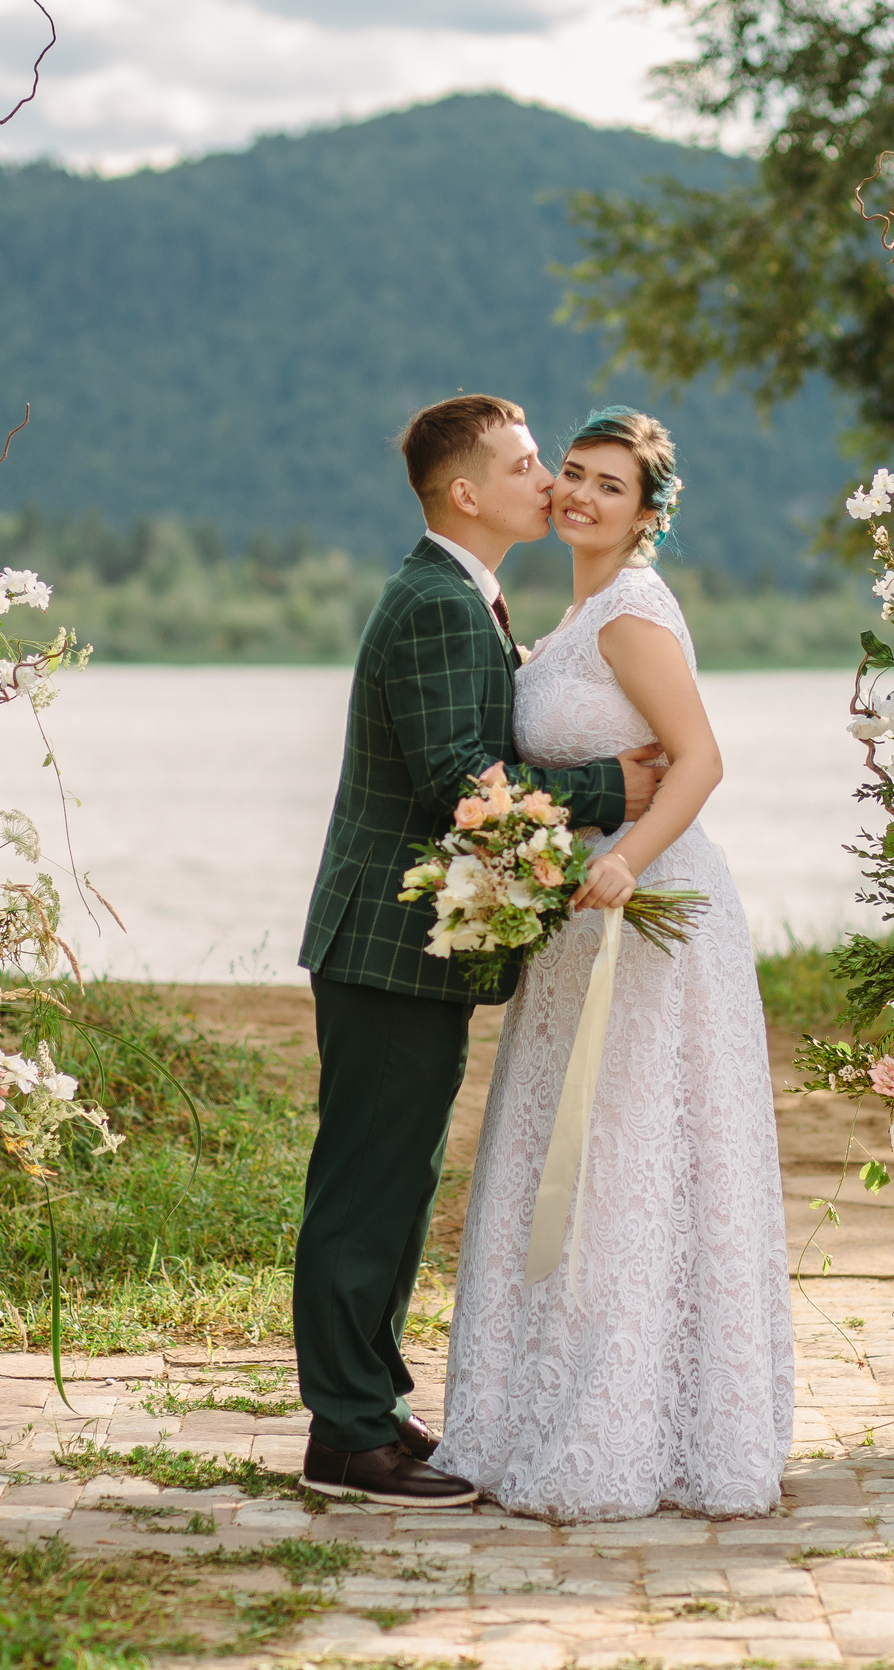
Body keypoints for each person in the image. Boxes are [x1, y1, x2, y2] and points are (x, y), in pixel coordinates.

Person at [292, 394, 665, 1507]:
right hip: (388, 943)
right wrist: (614, 786)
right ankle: (346, 1438)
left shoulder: (464, 595)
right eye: (525, 464)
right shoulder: (440, 604)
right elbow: (465, 782)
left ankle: (369, 1413)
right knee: (366, 1189)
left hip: (408, 943)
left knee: (393, 1184)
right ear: (466, 492)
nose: (547, 480)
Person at [433, 407, 795, 1521]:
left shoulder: (631, 613)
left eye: (609, 486)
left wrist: (628, 859)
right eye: (572, 475)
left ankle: (645, 1423)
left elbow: (699, 761)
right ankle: (534, 1408)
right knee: (575, 1155)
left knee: (633, 1154)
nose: (580, 495)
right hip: (580, 921)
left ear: (646, 516)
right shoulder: (575, 613)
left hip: (650, 909)